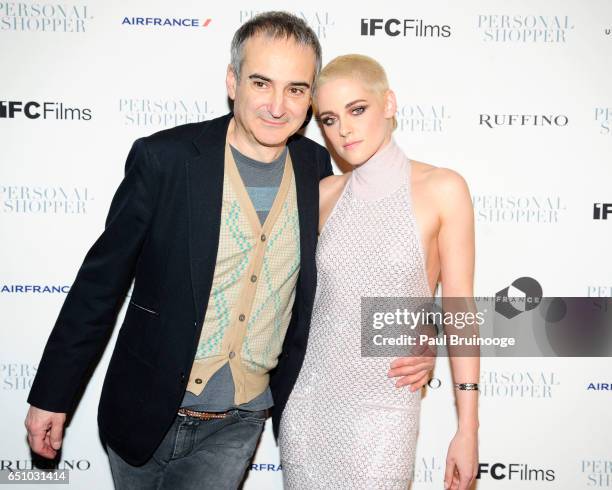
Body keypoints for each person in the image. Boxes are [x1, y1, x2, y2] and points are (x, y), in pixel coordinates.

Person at [24, 14, 435, 489]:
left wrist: (421, 337)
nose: (278, 106)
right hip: (142, 406)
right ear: (232, 81)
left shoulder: (317, 171)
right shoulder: (166, 159)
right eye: (262, 83)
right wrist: (54, 394)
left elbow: (375, 268)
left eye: (297, 90)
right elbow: (99, 285)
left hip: (239, 419)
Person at [279, 54, 480, 490]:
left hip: (385, 407)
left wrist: (468, 429)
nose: (343, 130)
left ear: (388, 103)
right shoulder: (322, 195)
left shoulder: (443, 189)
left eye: (357, 109)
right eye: (329, 119)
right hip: (310, 408)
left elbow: (459, 311)